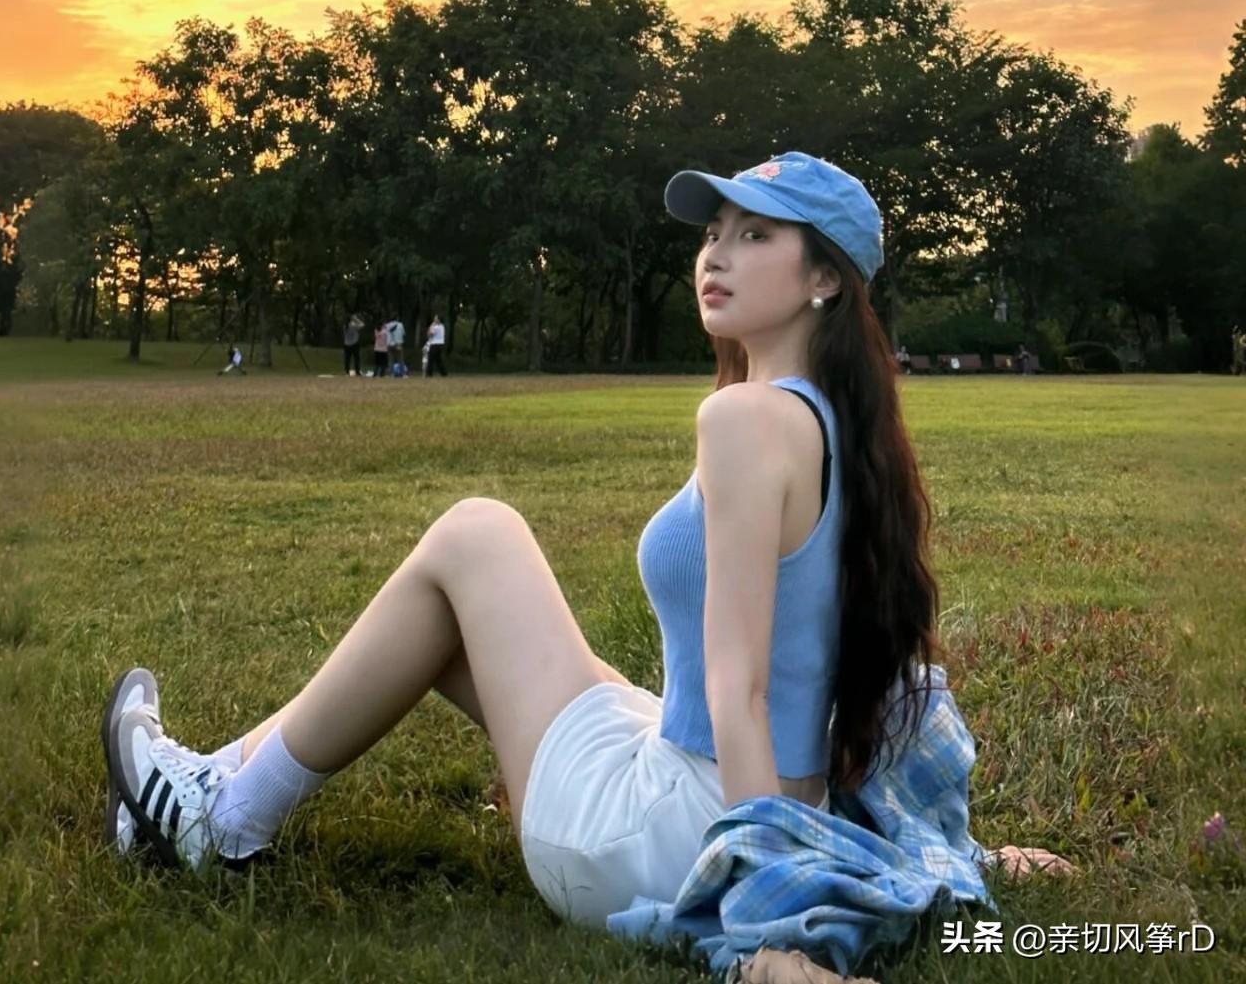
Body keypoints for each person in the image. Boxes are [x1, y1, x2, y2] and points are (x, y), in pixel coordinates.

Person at [100, 150, 1054, 941]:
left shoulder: (747, 421)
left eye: (756, 235)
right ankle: (213, 787)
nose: (716, 254)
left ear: (825, 280)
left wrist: (766, 921)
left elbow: (744, 692)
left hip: (682, 836)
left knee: (477, 533)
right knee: (472, 623)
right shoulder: (841, 423)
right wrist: (944, 849)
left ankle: (219, 817)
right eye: (714, 232)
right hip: (762, 799)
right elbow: (833, 676)